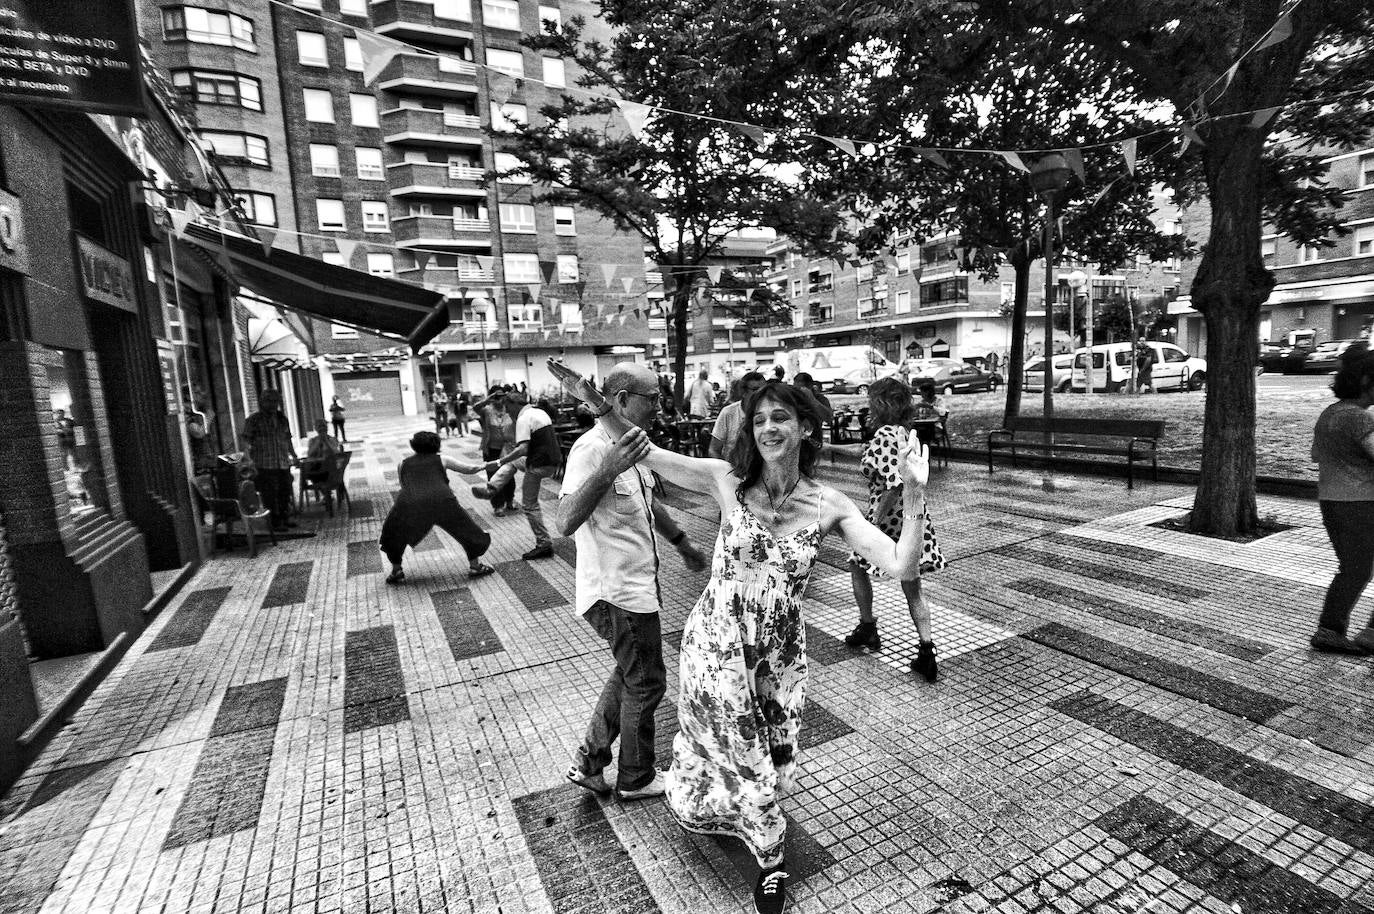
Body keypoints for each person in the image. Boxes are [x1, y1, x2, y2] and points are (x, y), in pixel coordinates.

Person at [548, 363, 931, 914]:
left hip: (779, 651)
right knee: (744, 749)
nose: (768, 429)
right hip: (716, 643)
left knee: (775, 753)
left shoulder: (830, 505)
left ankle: (743, 817)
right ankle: (771, 860)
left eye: (781, 418)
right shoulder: (726, 479)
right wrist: (597, 403)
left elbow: (900, 563)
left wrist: (915, 493)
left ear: (805, 428)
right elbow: (644, 448)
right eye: (759, 421)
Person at [560, 363, 708, 803]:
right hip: (615, 591)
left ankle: (590, 762)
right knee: (647, 681)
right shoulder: (591, 450)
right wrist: (607, 468)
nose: (661, 405)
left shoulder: (637, 447)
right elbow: (565, 519)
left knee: (632, 672)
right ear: (621, 399)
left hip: (637, 587)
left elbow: (647, 504)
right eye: (653, 397)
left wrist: (681, 542)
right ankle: (637, 776)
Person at [835, 379, 946, 679]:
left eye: (872, 401)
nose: (868, 406)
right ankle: (927, 649)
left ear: (881, 403)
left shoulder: (884, 435)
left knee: (856, 565)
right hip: (912, 519)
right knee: (912, 585)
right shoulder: (900, 433)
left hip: (888, 521)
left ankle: (868, 627)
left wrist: (871, 524)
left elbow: (893, 485)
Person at [1309, 344, 1374, 655]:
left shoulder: (1331, 414)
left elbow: (1315, 455)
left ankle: (1333, 629)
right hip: (1358, 502)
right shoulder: (1359, 419)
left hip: (1331, 499)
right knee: (1357, 569)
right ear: (1366, 382)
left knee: (1352, 566)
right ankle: (1331, 630)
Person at [378, 430, 495, 584]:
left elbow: (404, 484)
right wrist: (490, 464)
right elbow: (469, 469)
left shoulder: (403, 463)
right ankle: (475, 567)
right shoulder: (442, 459)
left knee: (393, 534)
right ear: (437, 445)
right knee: (467, 531)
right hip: (443, 501)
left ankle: (396, 570)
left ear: (414, 446)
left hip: (409, 503)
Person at [478, 392, 562, 560]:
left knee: (529, 505)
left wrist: (499, 461)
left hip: (537, 464)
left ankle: (543, 544)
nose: (508, 413)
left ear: (514, 404)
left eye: (508, 408)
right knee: (513, 463)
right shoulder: (539, 412)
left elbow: (522, 449)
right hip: (553, 461)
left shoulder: (524, 418)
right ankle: (492, 487)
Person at [240, 389, 298, 531]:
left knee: (285, 491)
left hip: (282, 462)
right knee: (269, 494)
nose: (273, 405)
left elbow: (287, 439)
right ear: (262, 402)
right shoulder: (253, 420)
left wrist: (294, 455)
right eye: (269, 401)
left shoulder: (282, 419)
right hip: (264, 463)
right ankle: (274, 522)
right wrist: (248, 459)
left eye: (275, 401)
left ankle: (285, 517)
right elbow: (245, 441)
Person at [708, 371, 766, 462]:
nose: (761, 394)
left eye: (764, 390)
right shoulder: (728, 413)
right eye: (755, 390)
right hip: (733, 470)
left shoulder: (769, 414)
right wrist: (725, 473)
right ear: (743, 392)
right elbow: (713, 450)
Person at [476, 387, 517, 515]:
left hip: (508, 449)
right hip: (492, 450)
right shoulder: (487, 410)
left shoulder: (509, 410)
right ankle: (498, 505)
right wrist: (488, 399)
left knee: (509, 476)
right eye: (496, 397)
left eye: (502, 396)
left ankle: (510, 500)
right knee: (493, 477)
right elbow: (475, 408)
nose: (499, 400)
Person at [301, 419, 341, 486]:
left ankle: (327, 494)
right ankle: (326, 494)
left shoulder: (332, 439)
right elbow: (309, 454)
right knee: (311, 473)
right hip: (318, 468)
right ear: (316, 429)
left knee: (321, 474)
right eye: (319, 426)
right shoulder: (312, 441)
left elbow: (336, 453)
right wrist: (318, 442)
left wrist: (326, 442)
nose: (322, 428)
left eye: (324, 426)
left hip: (332, 469)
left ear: (327, 428)